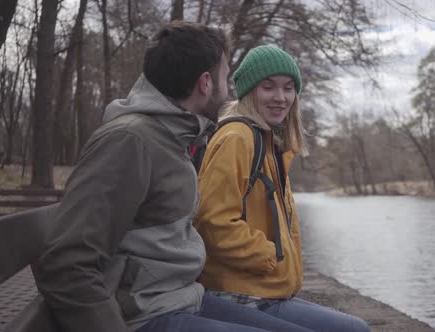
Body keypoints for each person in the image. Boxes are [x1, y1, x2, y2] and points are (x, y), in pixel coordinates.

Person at [36, 22, 312, 332]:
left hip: (183, 299)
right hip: (146, 314)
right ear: (206, 83)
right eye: (224, 77)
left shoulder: (173, 139)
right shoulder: (130, 141)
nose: (228, 89)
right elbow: (65, 263)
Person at [195, 45, 370, 332]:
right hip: (237, 292)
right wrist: (272, 255)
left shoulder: (269, 143)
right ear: (250, 90)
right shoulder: (237, 138)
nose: (280, 97)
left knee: (354, 328)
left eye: (288, 88)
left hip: (265, 289)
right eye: (268, 87)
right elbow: (212, 222)